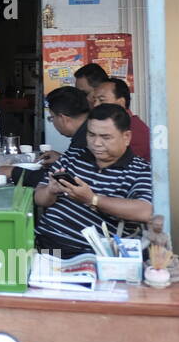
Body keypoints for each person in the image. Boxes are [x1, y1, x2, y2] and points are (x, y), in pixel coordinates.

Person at [33, 104, 153, 257]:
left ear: (126, 137)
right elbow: (39, 198)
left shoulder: (140, 169)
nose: (96, 143)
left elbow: (145, 211)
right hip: (42, 243)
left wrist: (92, 199)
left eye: (105, 137)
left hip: (90, 254)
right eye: (91, 135)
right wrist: (51, 190)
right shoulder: (72, 157)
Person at [91, 78, 151, 161]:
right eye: (94, 100)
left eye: (101, 100)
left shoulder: (135, 130)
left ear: (121, 103)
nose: (95, 105)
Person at [39, 86, 91, 166]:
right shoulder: (86, 131)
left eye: (52, 117)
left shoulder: (87, 140)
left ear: (63, 118)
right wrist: (62, 158)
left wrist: (14, 171)